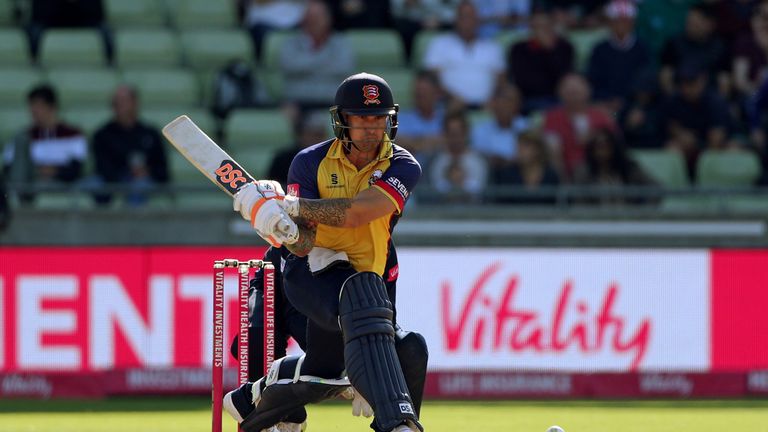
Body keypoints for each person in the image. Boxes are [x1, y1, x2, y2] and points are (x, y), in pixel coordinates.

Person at [225, 72, 427, 432]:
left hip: (364, 280)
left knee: (404, 350)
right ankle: (398, 424)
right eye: (362, 118)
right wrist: (274, 221)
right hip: (310, 273)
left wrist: (290, 206)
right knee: (354, 292)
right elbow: (301, 244)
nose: (372, 127)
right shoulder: (310, 161)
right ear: (342, 121)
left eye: (379, 118)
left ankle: (249, 400)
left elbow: (358, 213)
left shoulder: (403, 165)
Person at [2, 84, 87, 204]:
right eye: (32, 105)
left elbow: (76, 168)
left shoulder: (73, 135)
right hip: (28, 180)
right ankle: (20, 197)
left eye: (39, 106)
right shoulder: (23, 136)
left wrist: (54, 171)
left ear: (52, 107)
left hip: (60, 182)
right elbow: (9, 167)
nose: (34, 110)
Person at [91, 85, 169, 206]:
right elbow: (101, 167)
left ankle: (131, 224)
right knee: (91, 184)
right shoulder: (102, 135)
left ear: (135, 103)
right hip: (111, 181)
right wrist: (127, 173)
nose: (119, 106)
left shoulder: (150, 134)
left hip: (142, 182)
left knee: (140, 185)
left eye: (123, 101)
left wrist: (147, 171)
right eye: (115, 102)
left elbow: (163, 171)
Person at [422, 0, 505, 108]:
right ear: (455, 19)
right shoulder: (439, 44)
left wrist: (493, 99)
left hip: (487, 108)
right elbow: (431, 79)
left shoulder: (493, 47)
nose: (467, 22)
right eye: (464, 17)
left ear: (478, 20)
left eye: (471, 17)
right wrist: (451, 98)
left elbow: (501, 80)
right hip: (449, 106)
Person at [278, 0, 355, 111]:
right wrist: (325, 60)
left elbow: (343, 67)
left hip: (331, 101)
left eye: (318, 17)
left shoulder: (341, 43)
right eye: (311, 18)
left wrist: (306, 67)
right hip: (298, 101)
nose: (314, 22)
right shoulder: (290, 43)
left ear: (328, 19)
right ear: (304, 20)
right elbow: (289, 66)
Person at [428, 110, 488, 203]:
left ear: (466, 133)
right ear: (445, 134)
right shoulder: (436, 161)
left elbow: (478, 192)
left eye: (458, 133)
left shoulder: (478, 161)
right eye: (451, 134)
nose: (455, 138)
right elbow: (436, 192)